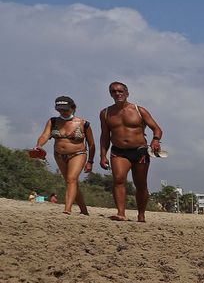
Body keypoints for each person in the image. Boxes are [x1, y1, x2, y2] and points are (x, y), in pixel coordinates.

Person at [97, 81, 163, 222]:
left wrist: (156, 140)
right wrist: (103, 155)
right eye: (114, 91)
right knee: (119, 179)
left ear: (127, 93)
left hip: (140, 151)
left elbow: (157, 129)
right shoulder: (106, 113)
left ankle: (141, 214)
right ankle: (121, 213)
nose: (117, 93)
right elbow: (104, 136)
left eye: (120, 91)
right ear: (110, 94)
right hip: (118, 151)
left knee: (140, 185)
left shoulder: (139, 110)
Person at [34, 96, 93, 215]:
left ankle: (67, 209)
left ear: (73, 108)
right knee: (71, 182)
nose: (63, 112)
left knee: (71, 179)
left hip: (78, 154)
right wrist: (39, 145)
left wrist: (90, 161)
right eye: (60, 110)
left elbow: (91, 144)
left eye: (66, 109)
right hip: (59, 155)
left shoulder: (83, 123)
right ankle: (84, 210)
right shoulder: (53, 121)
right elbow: (45, 135)